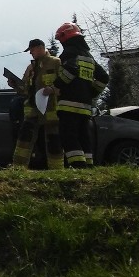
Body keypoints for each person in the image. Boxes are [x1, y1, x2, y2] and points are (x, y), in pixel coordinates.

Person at [52, 23, 109, 168]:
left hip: (68, 104)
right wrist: (91, 93)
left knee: (68, 136)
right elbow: (103, 77)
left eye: (60, 40)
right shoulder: (88, 56)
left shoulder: (69, 53)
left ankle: (78, 166)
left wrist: (56, 86)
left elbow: (70, 71)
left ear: (65, 38)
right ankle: (88, 167)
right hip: (85, 106)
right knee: (84, 137)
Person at [8, 38, 63, 170]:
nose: (30, 53)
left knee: (53, 140)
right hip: (32, 110)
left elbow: (64, 84)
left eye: (32, 50)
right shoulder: (30, 67)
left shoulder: (56, 62)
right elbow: (24, 89)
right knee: (24, 139)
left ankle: (57, 170)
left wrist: (53, 90)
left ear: (40, 48)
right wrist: (15, 85)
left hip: (50, 110)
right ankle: (18, 168)